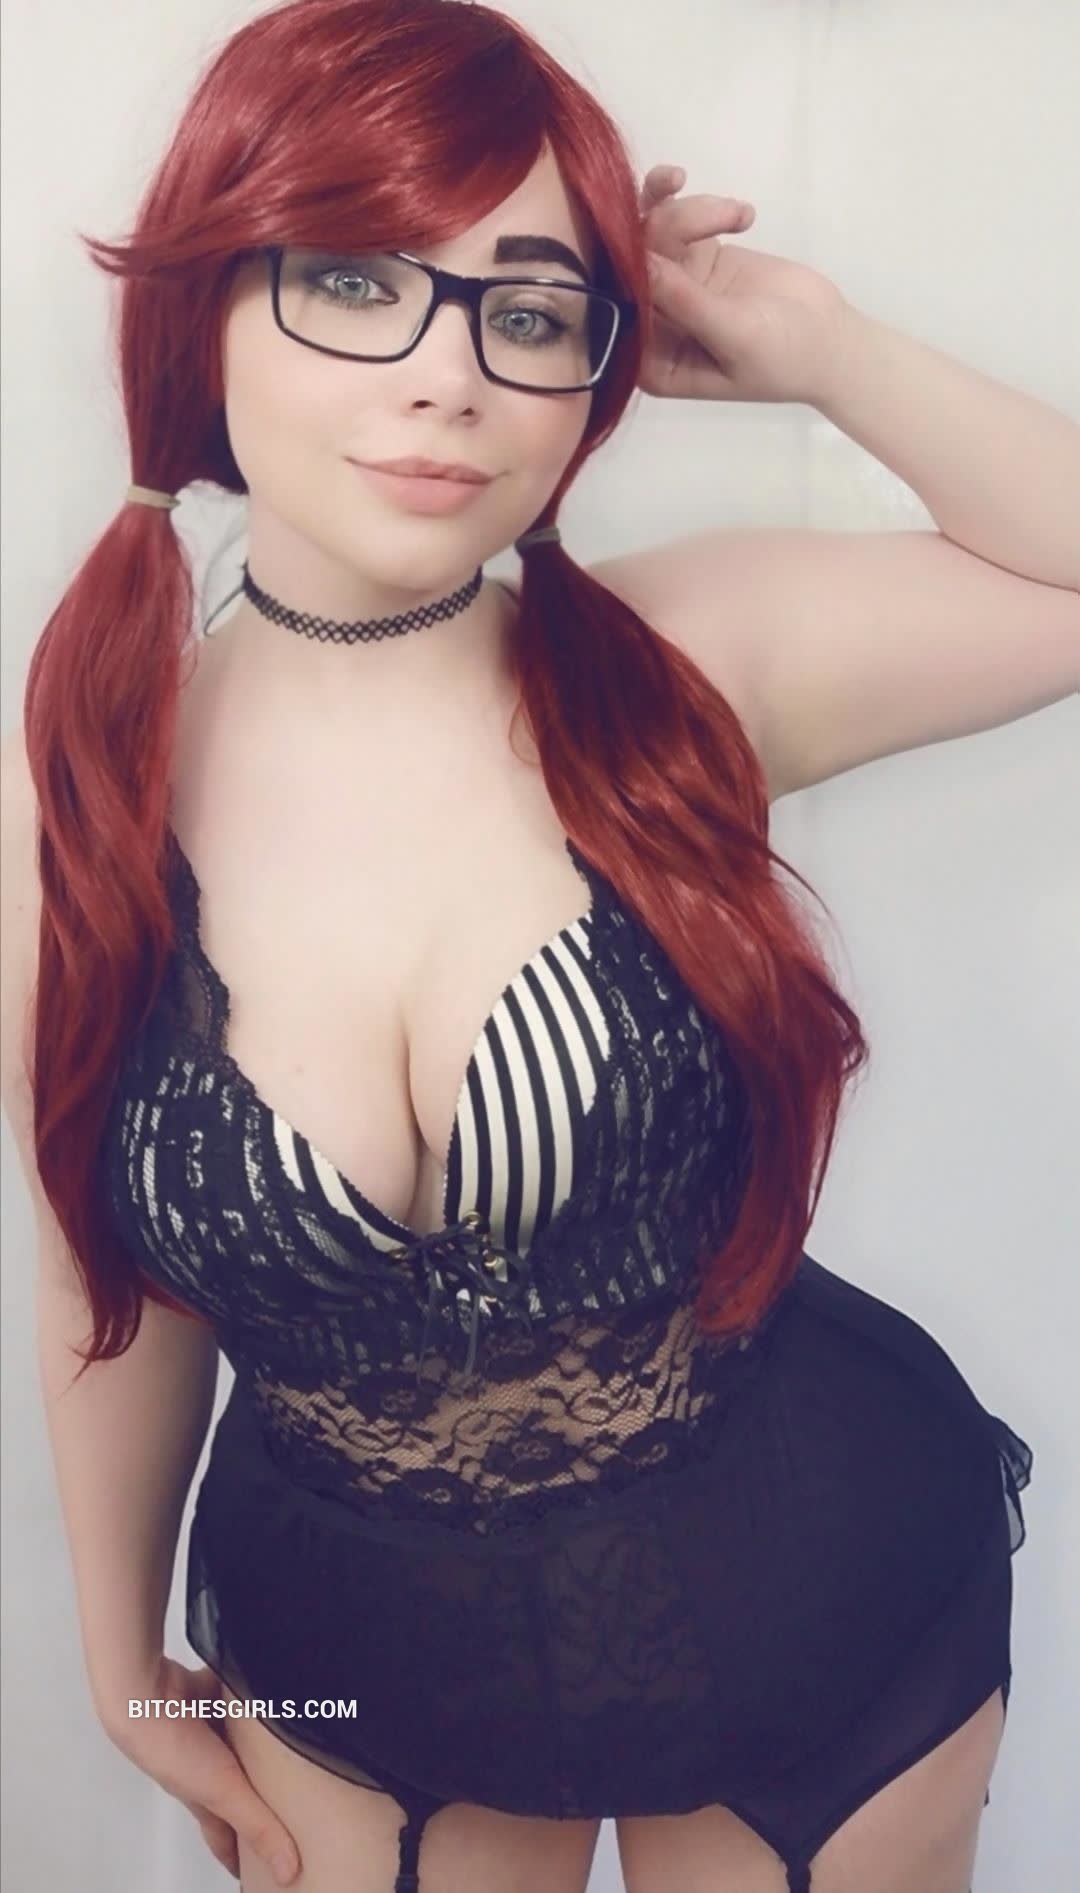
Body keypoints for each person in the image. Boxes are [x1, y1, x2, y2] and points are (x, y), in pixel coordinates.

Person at [5, 1, 1077, 1888]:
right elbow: (118, 1254)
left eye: (527, 307)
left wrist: (818, 350)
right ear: (202, 309)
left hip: (808, 1600)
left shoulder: (684, 671)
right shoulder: (79, 786)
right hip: (349, 1659)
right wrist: (118, 1649)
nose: (450, 376)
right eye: (356, 280)